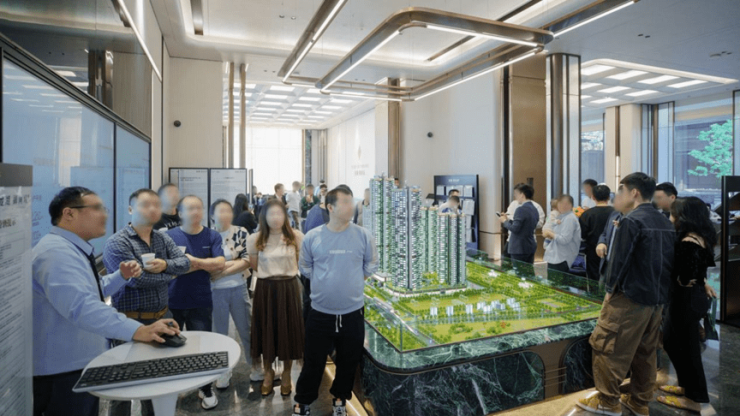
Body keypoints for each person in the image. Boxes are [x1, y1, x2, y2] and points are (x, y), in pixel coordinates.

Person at [33, 187, 181, 416]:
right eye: (97, 208)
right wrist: (139, 330)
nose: (105, 214)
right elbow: (82, 307)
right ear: (69, 213)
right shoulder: (56, 253)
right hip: (62, 372)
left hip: (76, 365)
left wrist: (120, 276)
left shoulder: (71, 249)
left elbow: (93, 289)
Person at [577, 172, 675, 416]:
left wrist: (609, 291)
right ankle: (640, 402)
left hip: (630, 298)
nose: (617, 197)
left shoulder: (632, 221)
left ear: (634, 193)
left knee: (609, 349)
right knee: (646, 353)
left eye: (620, 191)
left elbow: (619, 261)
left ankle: (608, 401)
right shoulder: (664, 221)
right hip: (656, 301)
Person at [103, 189, 192, 416]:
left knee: (157, 382)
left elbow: (184, 262)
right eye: (145, 205)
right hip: (129, 322)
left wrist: (166, 265)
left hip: (162, 317)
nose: (152, 209)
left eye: (156, 205)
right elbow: (136, 280)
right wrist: (170, 274)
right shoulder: (117, 242)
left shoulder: (162, 238)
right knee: (123, 385)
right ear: (130, 209)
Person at [293, 187, 378, 416]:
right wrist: (326, 281)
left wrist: (351, 281)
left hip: (352, 313)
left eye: (351, 201)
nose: (352, 206)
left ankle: (340, 401)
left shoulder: (363, 235)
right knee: (313, 362)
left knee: (348, 362)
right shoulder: (313, 237)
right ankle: (302, 403)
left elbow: (371, 264)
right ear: (330, 207)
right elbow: (305, 267)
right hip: (320, 312)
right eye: (346, 202)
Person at [658, 197, 718, 412]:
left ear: (683, 216)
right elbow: (701, 269)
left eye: (673, 213)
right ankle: (686, 387)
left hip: (686, 299)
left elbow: (685, 274)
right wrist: (701, 282)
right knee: (673, 342)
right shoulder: (701, 236)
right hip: (691, 297)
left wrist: (684, 280)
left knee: (687, 348)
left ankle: (694, 398)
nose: (670, 217)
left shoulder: (688, 241)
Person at [166, 195, 226, 409]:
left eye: (199, 208)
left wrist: (192, 262)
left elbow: (220, 263)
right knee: (170, 347)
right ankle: (171, 388)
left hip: (201, 300)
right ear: (180, 213)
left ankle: (205, 387)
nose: (196, 212)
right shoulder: (168, 236)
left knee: (202, 347)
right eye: (190, 209)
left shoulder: (212, 235)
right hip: (172, 300)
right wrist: (203, 265)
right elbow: (165, 267)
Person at [247, 199, 305, 397]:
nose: (275, 217)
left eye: (279, 213)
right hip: (265, 289)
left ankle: (287, 373)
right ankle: (268, 372)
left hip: (289, 288)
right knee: (267, 330)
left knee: (288, 331)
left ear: (285, 216)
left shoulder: (296, 236)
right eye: (271, 214)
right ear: (264, 216)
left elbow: (300, 261)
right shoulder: (255, 239)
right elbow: (254, 265)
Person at [209, 199, 263, 387]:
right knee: (220, 333)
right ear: (212, 215)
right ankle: (223, 371)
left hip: (239, 287)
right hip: (215, 291)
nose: (225, 214)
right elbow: (205, 264)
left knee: (247, 328)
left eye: (228, 211)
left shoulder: (241, 232)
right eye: (220, 211)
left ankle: (255, 366)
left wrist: (221, 270)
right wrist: (232, 263)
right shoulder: (208, 235)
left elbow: (247, 260)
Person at [595, 186, 630, 287]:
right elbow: (604, 233)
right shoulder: (614, 214)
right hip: (606, 265)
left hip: (622, 270)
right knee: (601, 293)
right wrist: (601, 242)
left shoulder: (634, 219)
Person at [579, 185, 614, 281]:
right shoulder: (616, 213)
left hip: (592, 251)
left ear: (593, 197)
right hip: (612, 250)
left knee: (593, 279)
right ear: (608, 197)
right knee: (610, 277)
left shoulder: (587, 214)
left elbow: (582, 235)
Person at [500, 183, 539, 265]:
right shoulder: (534, 208)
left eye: (516, 194)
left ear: (522, 195)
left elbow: (515, 229)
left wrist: (504, 221)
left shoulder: (521, 209)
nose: (515, 196)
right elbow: (523, 226)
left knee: (519, 271)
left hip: (519, 248)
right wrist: (508, 220)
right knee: (528, 271)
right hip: (530, 245)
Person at [543, 195, 581, 274]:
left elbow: (564, 240)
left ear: (571, 205)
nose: (563, 206)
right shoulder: (561, 216)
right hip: (555, 257)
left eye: (566, 204)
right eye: (560, 203)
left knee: (557, 281)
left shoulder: (569, 218)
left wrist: (550, 234)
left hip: (561, 259)